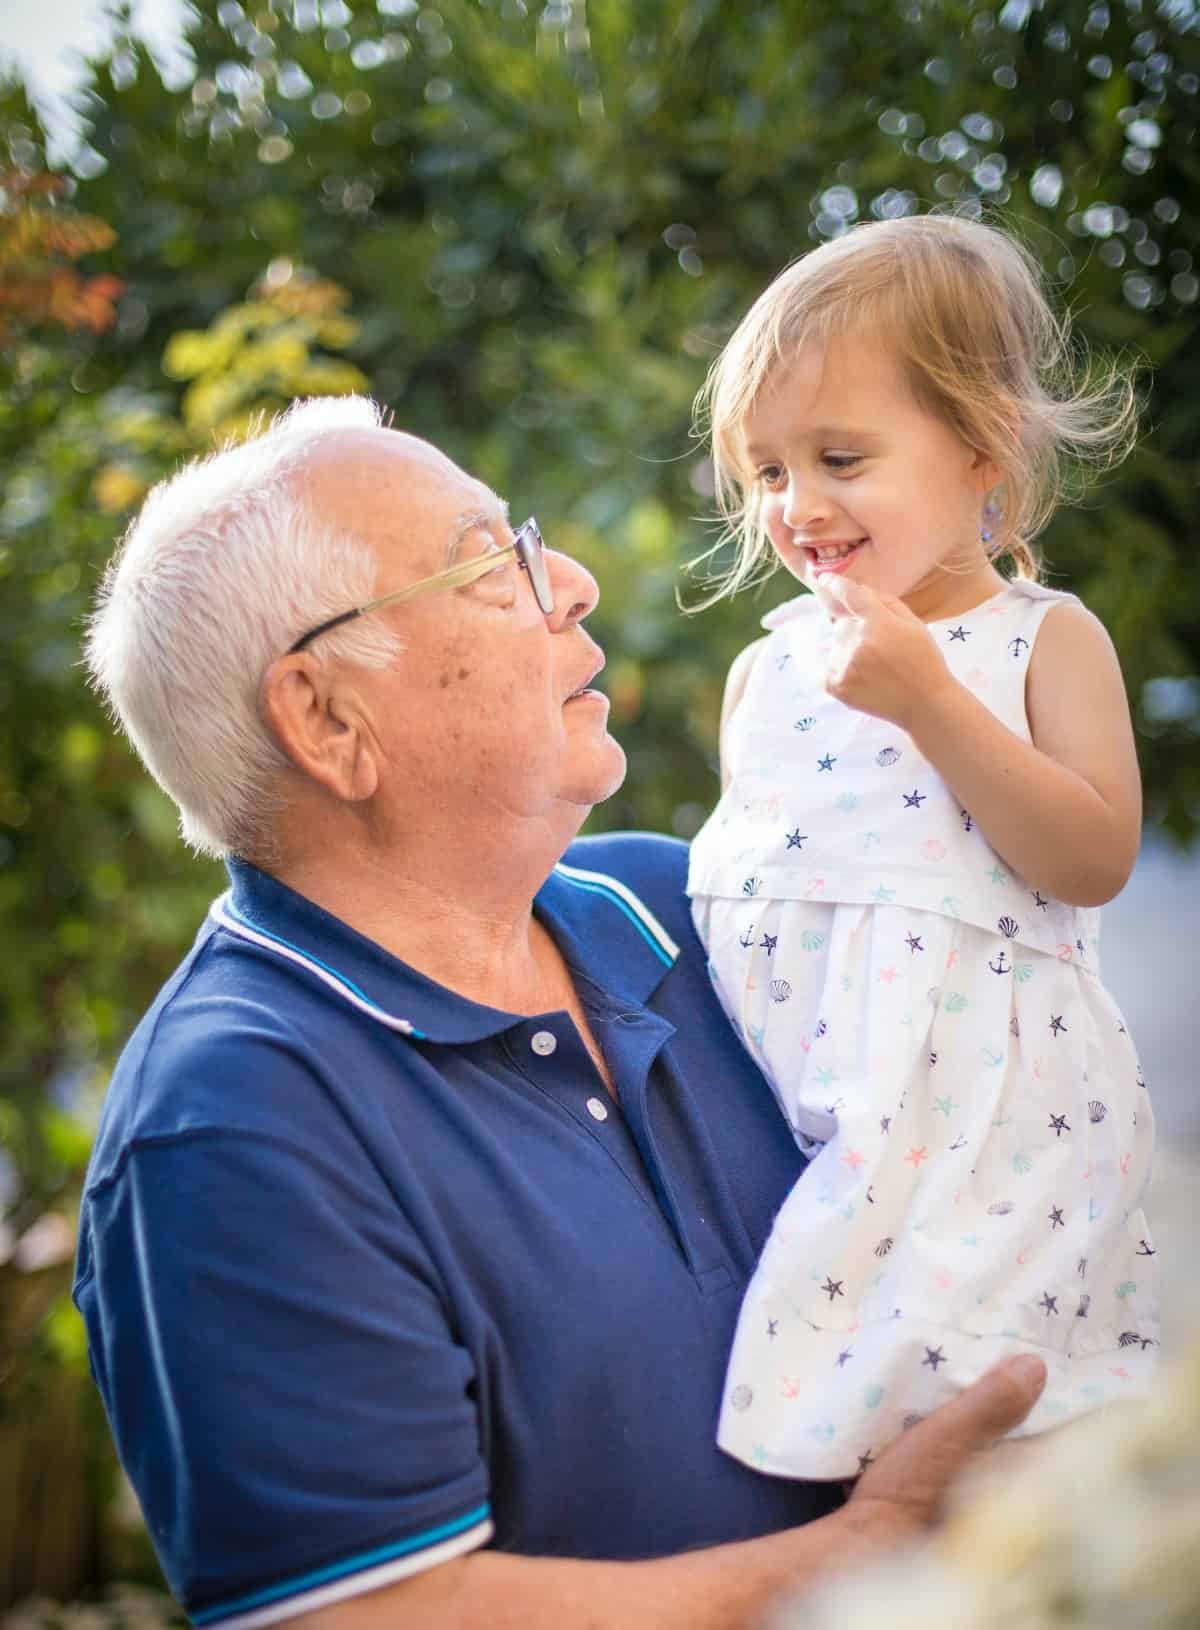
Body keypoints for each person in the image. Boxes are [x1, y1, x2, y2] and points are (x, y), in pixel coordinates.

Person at [76, 396, 1046, 1630]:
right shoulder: (231, 1125)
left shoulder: (686, 902)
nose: (573, 582)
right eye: (493, 568)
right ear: (326, 718)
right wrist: (872, 1551)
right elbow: (364, 1618)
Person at [686, 212, 1159, 1484]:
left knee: (989, 1440)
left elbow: (1093, 855)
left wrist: (932, 704)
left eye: (841, 455)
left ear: (980, 447)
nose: (799, 506)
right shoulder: (764, 672)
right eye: (768, 471)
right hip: (811, 1134)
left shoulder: (1040, 641)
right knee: (828, 1459)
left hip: (990, 1143)